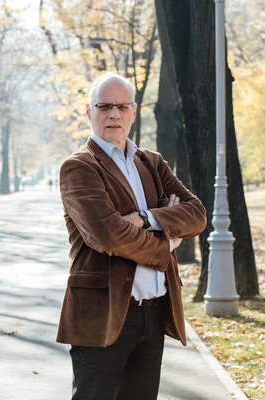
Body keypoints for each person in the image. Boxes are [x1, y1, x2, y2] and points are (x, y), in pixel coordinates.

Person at [57, 72, 207, 400]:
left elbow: (196, 214)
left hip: (151, 314)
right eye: (104, 106)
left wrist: (144, 217)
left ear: (134, 112)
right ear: (88, 111)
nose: (114, 114)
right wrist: (167, 242)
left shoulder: (151, 163)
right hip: (102, 315)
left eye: (122, 106)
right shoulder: (79, 167)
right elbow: (108, 235)